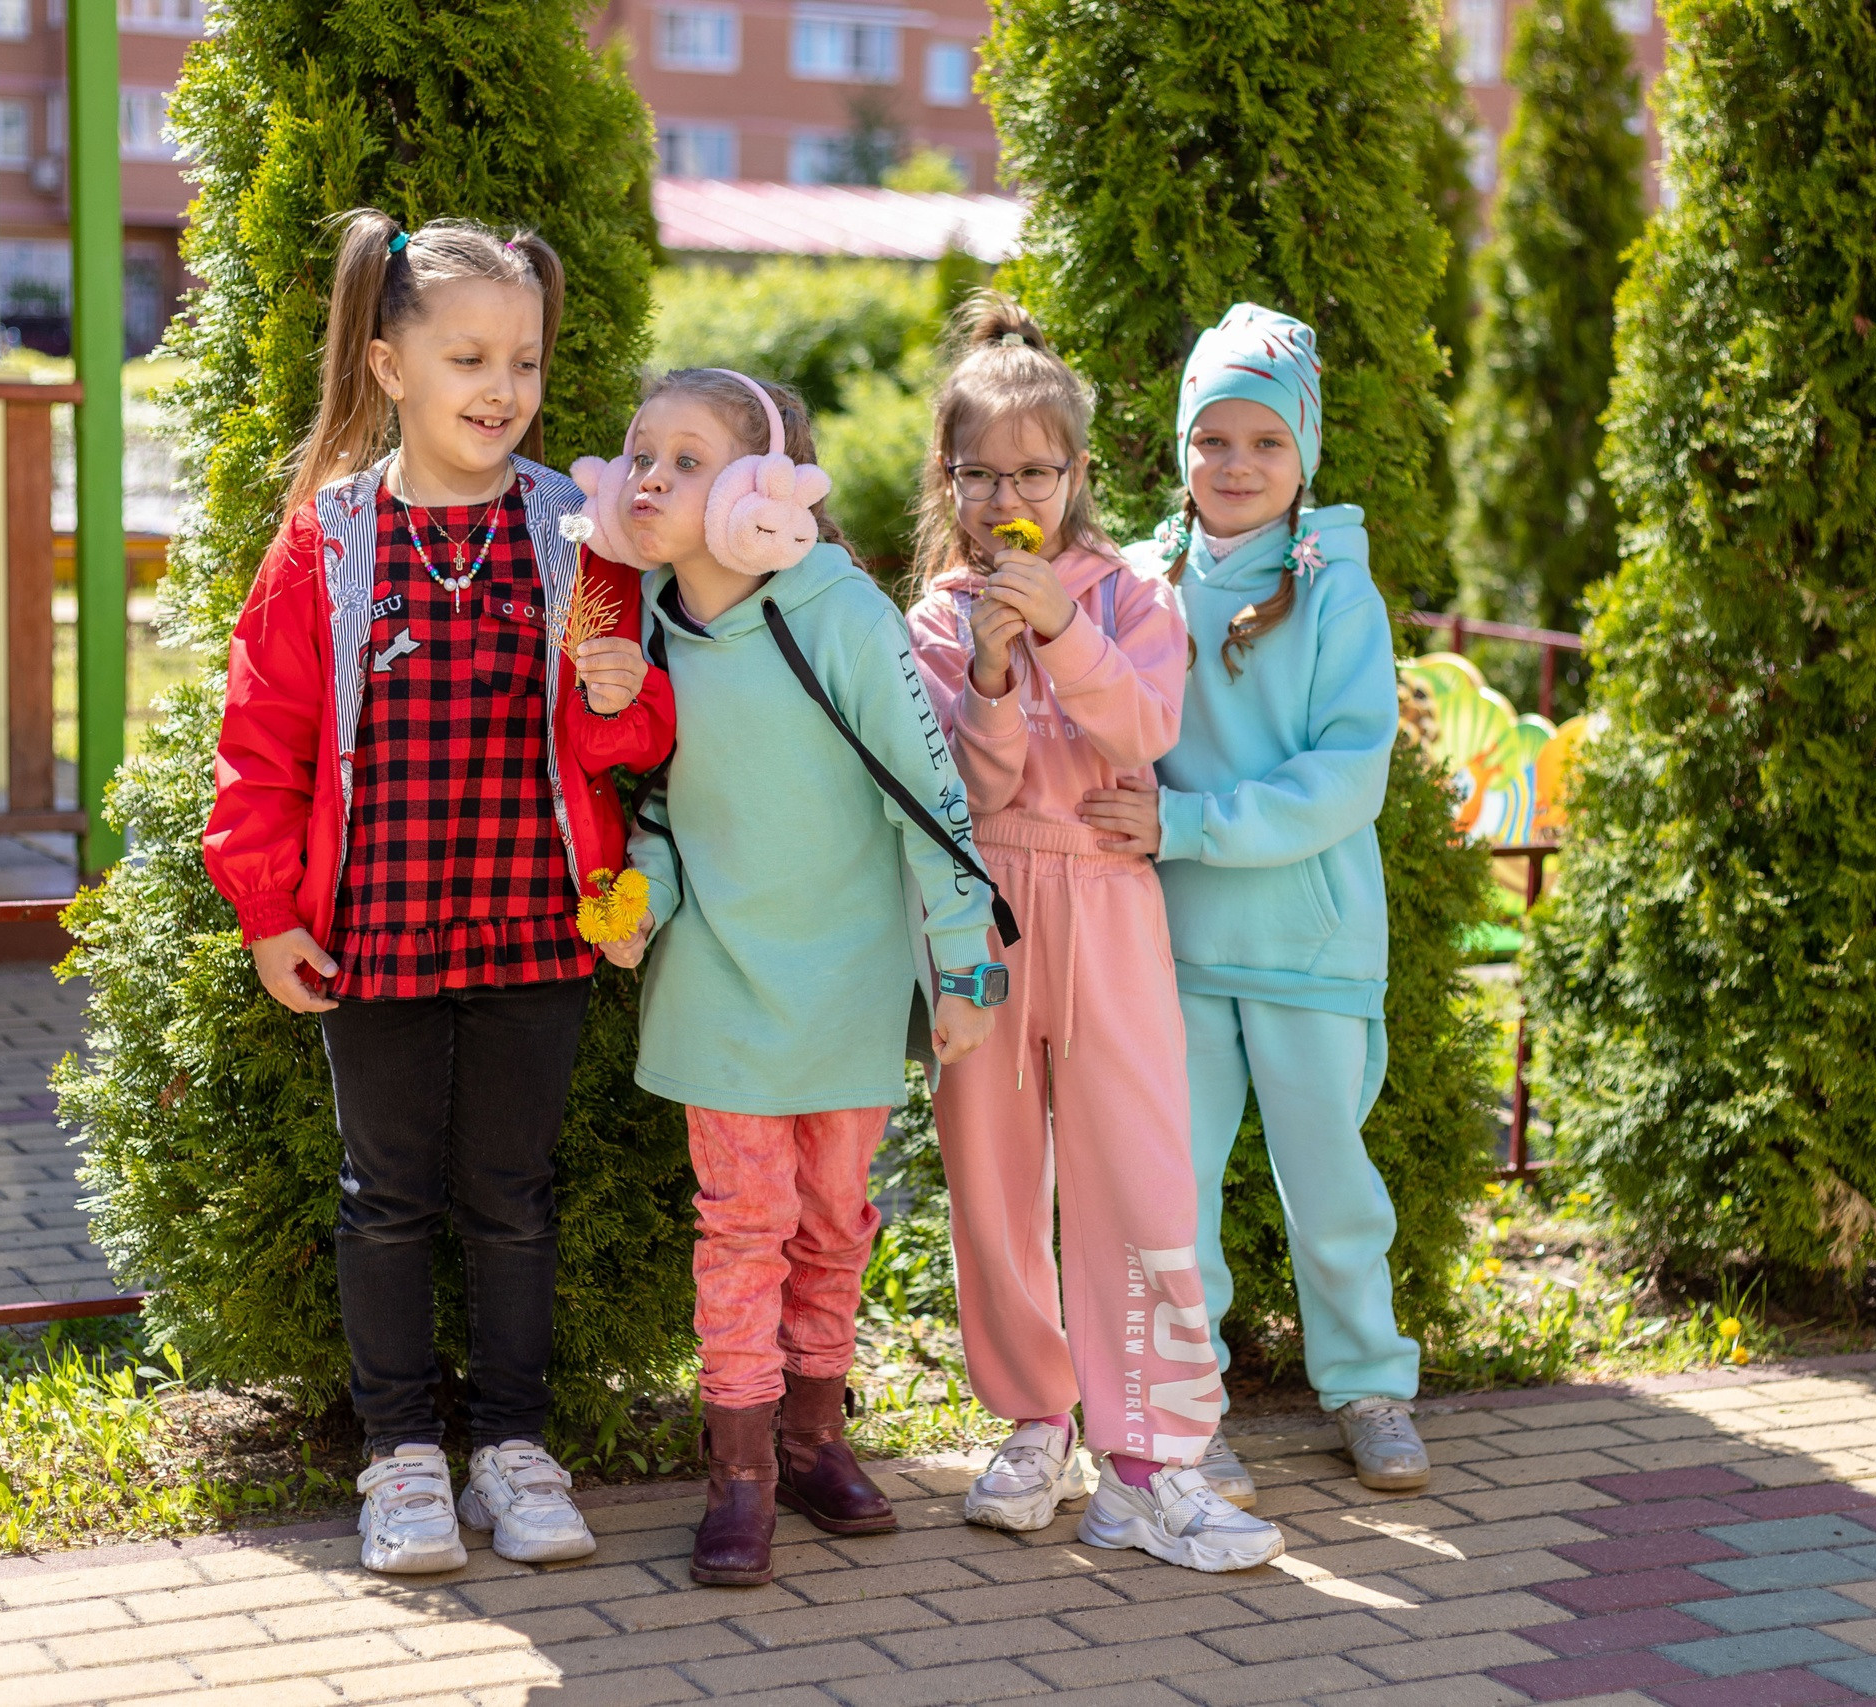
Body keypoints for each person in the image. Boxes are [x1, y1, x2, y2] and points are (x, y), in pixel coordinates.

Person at [205, 213, 673, 1573]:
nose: (504, 385)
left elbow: (626, 745)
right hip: (376, 926)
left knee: (514, 1191)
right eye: (469, 353)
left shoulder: (578, 538)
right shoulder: (328, 543)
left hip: (536, 918)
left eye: (524, 358)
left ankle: (515, 1448)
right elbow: (266, 738)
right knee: (388, 1194)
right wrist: (269, 910)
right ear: (387, 360)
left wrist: (623, 697)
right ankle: (400, 1455)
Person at [573, 367, 1001, 1587]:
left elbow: (930, 800)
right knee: (739, 1232)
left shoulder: (844, 614)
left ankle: (816, 1442)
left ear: (766, 489)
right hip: (719, 976)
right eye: (639, 453)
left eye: (688, 458)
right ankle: (742, 1475)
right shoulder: (641, 618)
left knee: (833, 1226)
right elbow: (653, 806)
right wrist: (637, 899)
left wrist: (968, 969)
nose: (649, 476)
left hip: (852, 978)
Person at [904, 294, 1283, 1572]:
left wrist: (1059, 633)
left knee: (1136, 1169)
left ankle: (1150, 1459)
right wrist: (999, 675)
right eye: (981, 471)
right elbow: (977, 788)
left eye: (1033, 470)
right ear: (949, 478)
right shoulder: (941, 620)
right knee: (992, 1174)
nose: (1008, 492)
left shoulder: (1128, 593)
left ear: (1074, 473)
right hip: (991, 912)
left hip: (1110, 907)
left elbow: (1143, 736)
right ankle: (1031, 1420)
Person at [1081, 303, 1433, 1501]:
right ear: (1180, 446)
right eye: (1211, 439)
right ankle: (1184, 1415)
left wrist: (1187, 827)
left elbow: (1347, 775)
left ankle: (1369, 1386)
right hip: (1167, 951)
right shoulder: (1135, 579)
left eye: (1264, 444)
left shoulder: (1339, 596)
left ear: (1305, 455)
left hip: (1309, 944)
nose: (1235, 466)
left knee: (1331, 1185)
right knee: (1171, 1191)